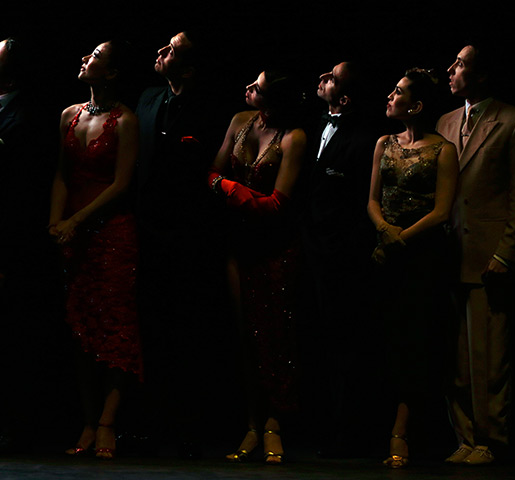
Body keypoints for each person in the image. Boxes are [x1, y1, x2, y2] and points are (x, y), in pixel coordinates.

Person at [437, 45, 515, 466]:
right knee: (455, 356)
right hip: (447, 255)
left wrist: (508, 252)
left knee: (489, 355)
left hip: (487, 255)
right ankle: (463, 435)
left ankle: (490, 439)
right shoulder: (443, 122)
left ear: (482, 74)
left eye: (460, 63)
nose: (451, 68)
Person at [134, 31, 230, 457]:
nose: (160, 52)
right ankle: (154, 424)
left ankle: (192, 427)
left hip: (191, 238)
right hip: (147, 233)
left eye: (170, 50)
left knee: (189, 330)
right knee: (151, 329)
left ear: (189, 69)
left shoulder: (211, 110)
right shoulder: (148, 99)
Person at [48, 39, 141, 460]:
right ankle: (87, 419)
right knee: (81, 330)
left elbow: (123, 184)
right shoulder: (69, 114)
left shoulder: (126, 120)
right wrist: (55, 221)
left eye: (96, 57)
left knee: (115, 328)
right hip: (72, 233)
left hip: (111, 232)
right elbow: (62, 174)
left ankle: (108, 422)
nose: (85, 58)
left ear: (113, 73)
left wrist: (75, 220)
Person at [208, 71, 307, 464]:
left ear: (274, 100)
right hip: (237, 244)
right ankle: (251, 423)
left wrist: (229, 189)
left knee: (275, 337)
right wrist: (228, 188)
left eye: (258, 88)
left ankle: (274, 424)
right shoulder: (238, 122)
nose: (248, 88)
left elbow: (278, 204)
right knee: (244, 335)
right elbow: (211, 172)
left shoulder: (293, 137)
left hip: (275, 246)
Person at [367, 68, 458, 468]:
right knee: (383, 339)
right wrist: (384, 230)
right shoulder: (383, 142)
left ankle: (403, 432)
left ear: (416, 105)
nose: (390, 95)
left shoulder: (443, 150)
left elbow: (442, 211)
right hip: (384, 254)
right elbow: (371, 199)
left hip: (422, 258)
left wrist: (400, 237)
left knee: (416, 341)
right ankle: (376, 426)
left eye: (398, 92)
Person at [0, 37, 58, 449]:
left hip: (7, 246)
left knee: (13, 338)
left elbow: (24, 197)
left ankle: (18, 426)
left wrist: (2, 259)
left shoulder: (28, 118)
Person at [303, 62, 379, 457]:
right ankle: (318, 426)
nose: (321, 80)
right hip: (310, 252)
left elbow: (356, 204)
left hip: (341, 257)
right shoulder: (313, 124)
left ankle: (348, 433)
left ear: (345, 97)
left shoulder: (365, 139)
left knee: (345, 344)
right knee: (316, 341)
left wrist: (338, 251)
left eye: (330, 78)